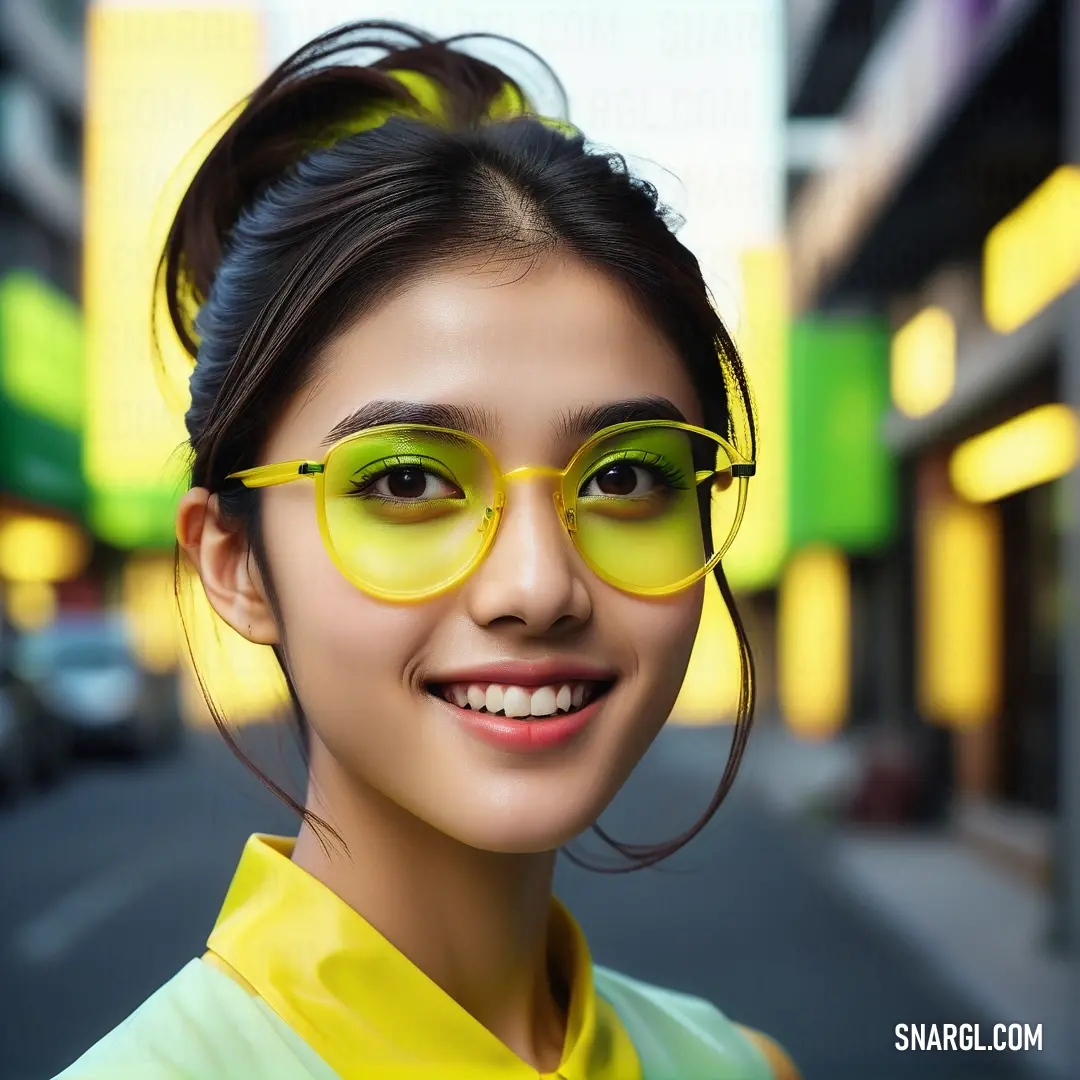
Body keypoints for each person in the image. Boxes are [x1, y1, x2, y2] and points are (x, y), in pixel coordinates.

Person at [54, 21, 798, 1080]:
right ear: (233, 562)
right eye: (407, 482)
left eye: (625, 477)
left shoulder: (739, 1065)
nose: (539, 586)